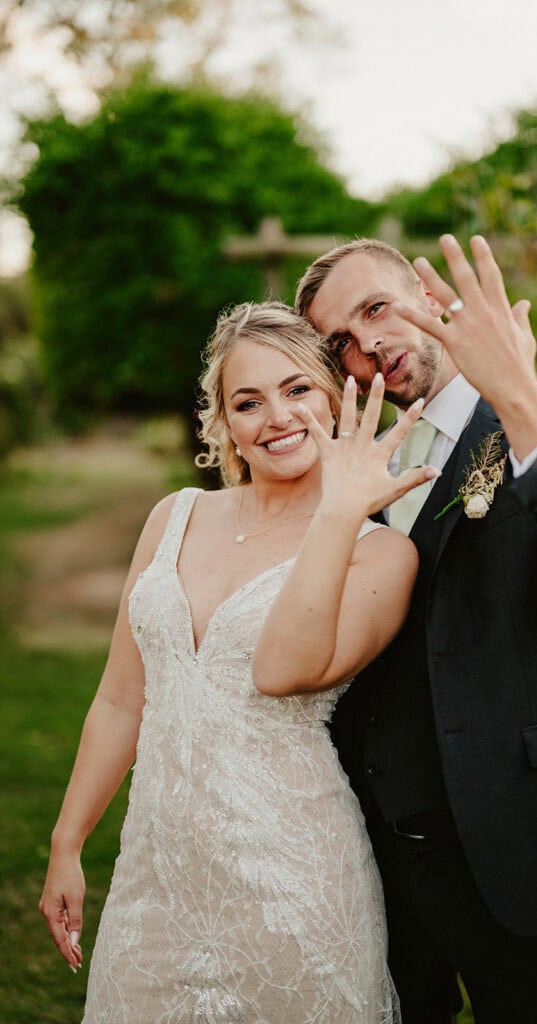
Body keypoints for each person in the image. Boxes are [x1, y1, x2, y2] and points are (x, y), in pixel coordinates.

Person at [295, 234, 537, 1024]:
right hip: (375, 851)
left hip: (512, 838)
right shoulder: (351, 463)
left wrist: (518, 399)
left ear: (432, 300)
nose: (367, 345)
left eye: (376, 309)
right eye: (342, 342)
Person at [38, 301, 437, 1023]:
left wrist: (338, 511)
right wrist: (69, 840)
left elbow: (290, 668)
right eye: (247, 401)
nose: (275, 417)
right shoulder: (174, 516)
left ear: (338, 397)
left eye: (297, 390)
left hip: (292, 876)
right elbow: (123, 700)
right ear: (224, 423)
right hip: (156, 876)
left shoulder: (381, 553)